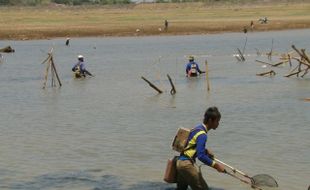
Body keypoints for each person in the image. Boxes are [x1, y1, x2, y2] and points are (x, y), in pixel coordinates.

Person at [176, 106, 225, 190]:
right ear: (210, 120)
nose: (218, 124)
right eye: (217, 121)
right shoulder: (202, 135)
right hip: (187, 165)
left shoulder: (197, 128)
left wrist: (205, 150)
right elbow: (201, 156)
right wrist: (216, 166)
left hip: (180, 162)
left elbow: (191, 145)